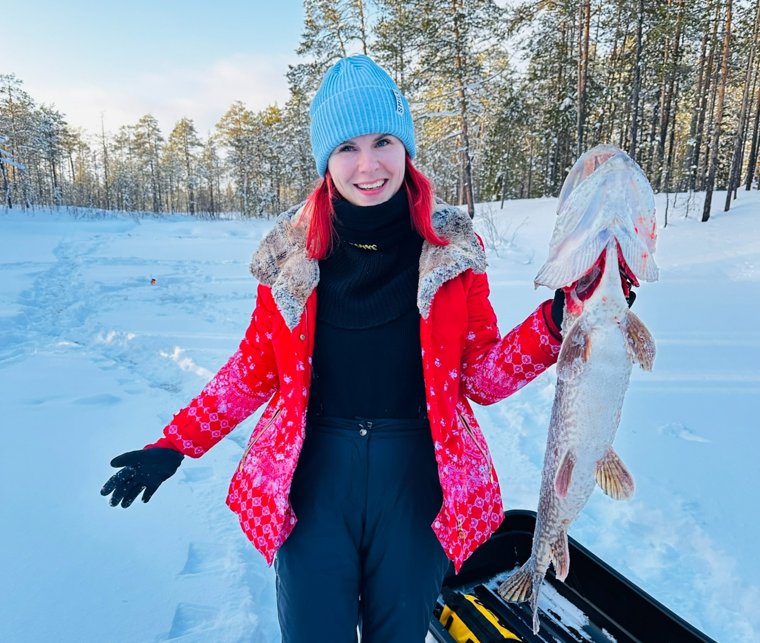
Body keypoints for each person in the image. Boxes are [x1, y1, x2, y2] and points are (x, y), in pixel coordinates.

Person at [101, 55, 565, 643]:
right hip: (315, 480)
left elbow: (483, 378)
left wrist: (557, 320)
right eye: (346, 147)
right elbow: (252, 370)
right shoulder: (292, 258)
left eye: (383, 141)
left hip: (417, 481)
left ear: (406, 148)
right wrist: (176, 444)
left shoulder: (451, 253)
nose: (368, 165)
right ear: (325, 160)